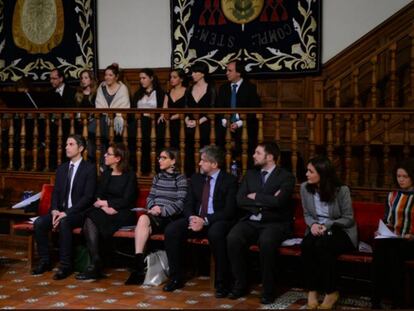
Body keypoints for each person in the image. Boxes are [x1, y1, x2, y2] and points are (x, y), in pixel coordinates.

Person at [163, 145, 238, 298]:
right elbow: (188, 203)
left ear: (214, 164)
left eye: (203, 161)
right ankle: (176, 277)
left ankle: (222, 283)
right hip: (196, 218)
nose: (199, 164)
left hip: (216, 219)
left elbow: (229, 211)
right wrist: (192, 218)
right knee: (172, 230)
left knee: (217, 233)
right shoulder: (196, 178)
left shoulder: (229, 180)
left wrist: (205, 220)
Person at [227, 141, 295, 304]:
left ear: (270, 157)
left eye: (257, 153)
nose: (253, 155)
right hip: (251, 220)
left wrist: (256, 196)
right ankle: (240, 284)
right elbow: (240, 200)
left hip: (275, 222)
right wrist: (268, 200)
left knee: (267, 242)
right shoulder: (250, 174)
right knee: (233, 238)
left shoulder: (286, 176)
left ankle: (268, 290)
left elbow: (280, 202)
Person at [32, 135, 96, 280]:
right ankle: (45, 261)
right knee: (40, 223)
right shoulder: (62, 168)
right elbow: (56, 193)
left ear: (80, 148)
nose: (66, 147)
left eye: (70, 144)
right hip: (60, 211)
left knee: (65, 222)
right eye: (66, 144)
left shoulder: (89, 169)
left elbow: (88, 198)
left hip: (79, 213)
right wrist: (54, 210)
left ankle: (65, 266)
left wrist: (66, 213)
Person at [300, 156, 357, 309]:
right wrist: (312, 225)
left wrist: (328, 225)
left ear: (322, 174)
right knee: (306, 245)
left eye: (310, 171)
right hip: (316, 228)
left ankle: (331, 291)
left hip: (340, 229)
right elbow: (307, 214)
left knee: (323, 244)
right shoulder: (305, 188)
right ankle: (312, 290)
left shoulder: (341, 190)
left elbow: (348, 219)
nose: (306, 174)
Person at [125, 148, 187, 285]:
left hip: (170, 218)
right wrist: (153, 208)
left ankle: (139, 267)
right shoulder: (157, 177)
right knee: (142, 219)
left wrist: (162, 210)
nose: (159, 160)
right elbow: (150, 197)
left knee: (145, 224)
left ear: (173, 161)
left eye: (163, 158)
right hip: (155, 215)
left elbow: (180, 203)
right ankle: (139, 261)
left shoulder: (180, 178)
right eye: (159, 157)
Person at [76, 143, 137, 280]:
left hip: (123, 212)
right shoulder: (107, 174)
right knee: (90, 215)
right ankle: (96, 260)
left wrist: (109, 205)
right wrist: (104, 207)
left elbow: (128, 199)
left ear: (118, 158)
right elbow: (98, 194)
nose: (105, 155)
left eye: (108, 154)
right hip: (105, 210)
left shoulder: (130, 175)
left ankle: (95, 263)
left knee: (93, 217)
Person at [371, 159, 414, 309]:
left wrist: (412, 236)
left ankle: (398, 300)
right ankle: (376, 300)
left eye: (405, 176)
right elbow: (388, 220)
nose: (401, 179)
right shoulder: (393, 196)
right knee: (381, 248)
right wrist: (381, 230)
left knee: (394, 251)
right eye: (398, 176)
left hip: (411, 241)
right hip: (395, 239)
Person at [216, 61, 260, 165]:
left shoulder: (250, 88)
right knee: (217, 137)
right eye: (226, 70)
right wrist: (226, 122)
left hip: (244, 125)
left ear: (239, 73)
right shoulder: (223, 88)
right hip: (225, 125)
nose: (227, 73)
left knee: (248, 138)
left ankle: (246, 172)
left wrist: (238, 123)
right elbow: (219, 109)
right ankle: (223, 170)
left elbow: (254, 110)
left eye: (230, 71)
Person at [130, 68, 166, 174]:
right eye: (140, 78)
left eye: (144, 78)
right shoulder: (138, 94)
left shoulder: (159, 93)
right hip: (140, 124)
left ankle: (155, 168)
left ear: (151, 78)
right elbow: (133, 111)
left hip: (154, 123)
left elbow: (161, 111)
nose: (141, 80)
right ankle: (140, 168)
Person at [185, 62, 216, 175]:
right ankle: (190, 172)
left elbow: (212, 110)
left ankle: (204, 171)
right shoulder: (189, 89)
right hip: (190, 124)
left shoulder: (211, 88)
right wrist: (187, 120)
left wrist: (198, 122)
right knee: (188, 140)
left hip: (205, 123)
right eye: (192, 72)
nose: (192, 74)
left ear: (202, 74)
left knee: (204, 137)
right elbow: (186, 109)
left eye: (195, 72)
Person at [95, 63, 130, 139]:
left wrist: (114, 115)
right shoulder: (102, 87)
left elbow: (125, 106)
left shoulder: (123, 89)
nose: (107, 77)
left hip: (118, 118)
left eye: (110, 75)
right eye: (106, 75)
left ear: (116, 77)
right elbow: (98, 104)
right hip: (103, 117)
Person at [163, 69, 188, 149]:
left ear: (181, 79)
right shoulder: (168, 92)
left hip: (181, 120)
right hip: (168, 120)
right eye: (170, 77)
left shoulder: (187, 91)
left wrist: (173, 117)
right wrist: (163, 115)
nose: (171, 79)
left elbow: (187, 109)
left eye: (174, 77)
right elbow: (164, 108)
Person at [75, 69, 98, 159]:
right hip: (80, 121)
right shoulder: (78, 94)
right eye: (82, 78)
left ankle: (90, 158)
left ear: (91, 79)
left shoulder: (96, 93)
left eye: (86, 78)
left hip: (92, 122)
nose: (83, 80)